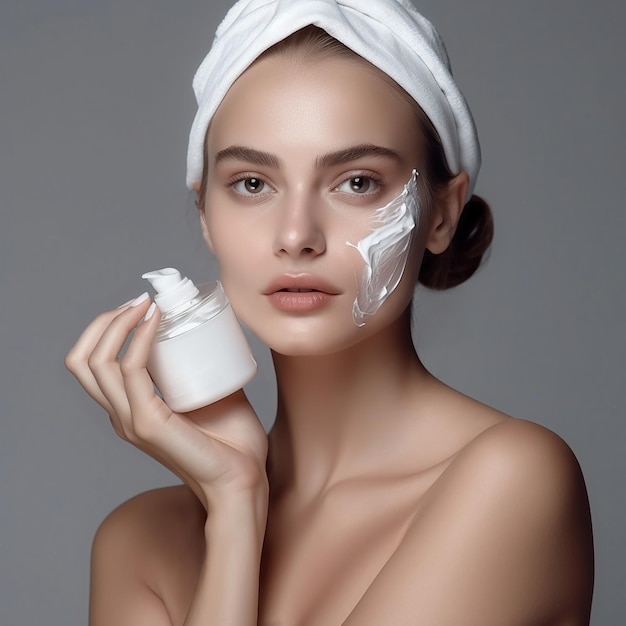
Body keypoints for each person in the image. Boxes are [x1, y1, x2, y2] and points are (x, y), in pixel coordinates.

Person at [65, 0, 594, 624]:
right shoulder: (139, 542)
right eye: (253, 184)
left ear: (442, 214)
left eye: (357, 181)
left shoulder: (512, 481)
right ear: (206, 214)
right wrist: (237, 506)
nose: (296, 235)